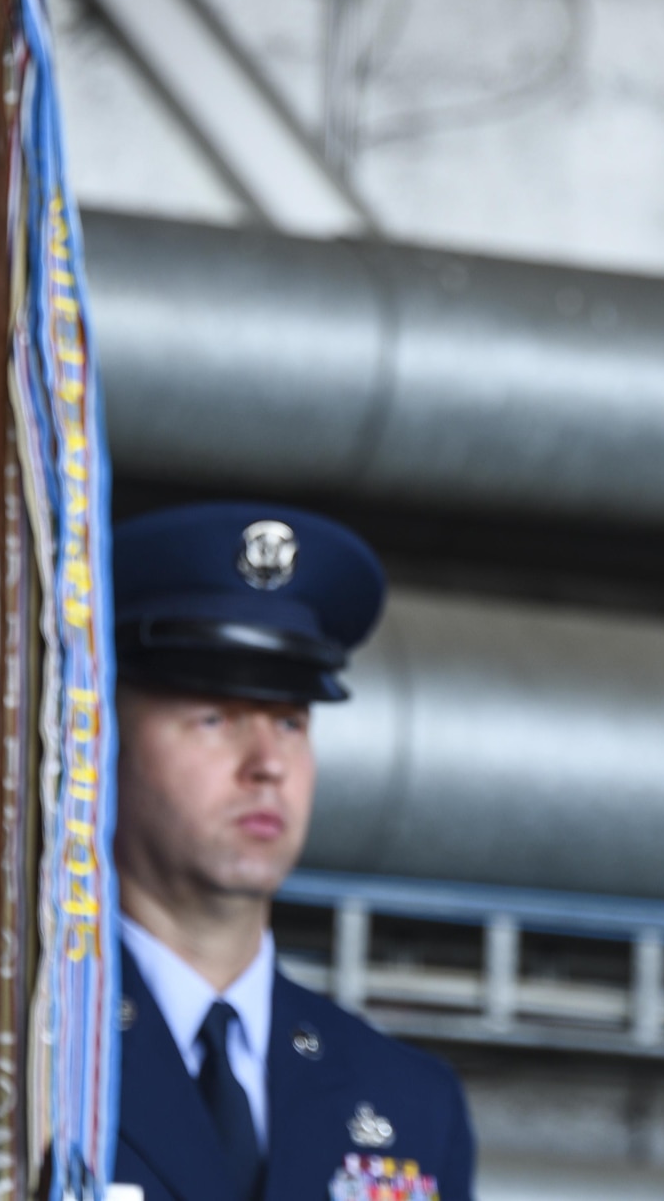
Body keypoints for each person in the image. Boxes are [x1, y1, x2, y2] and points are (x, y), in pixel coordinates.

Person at [109, 503, 473, 1201]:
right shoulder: (9, 1060)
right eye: (215, 717)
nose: (267, 764)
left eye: (289, 721)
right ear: (105, 740)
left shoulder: (409, 1103)